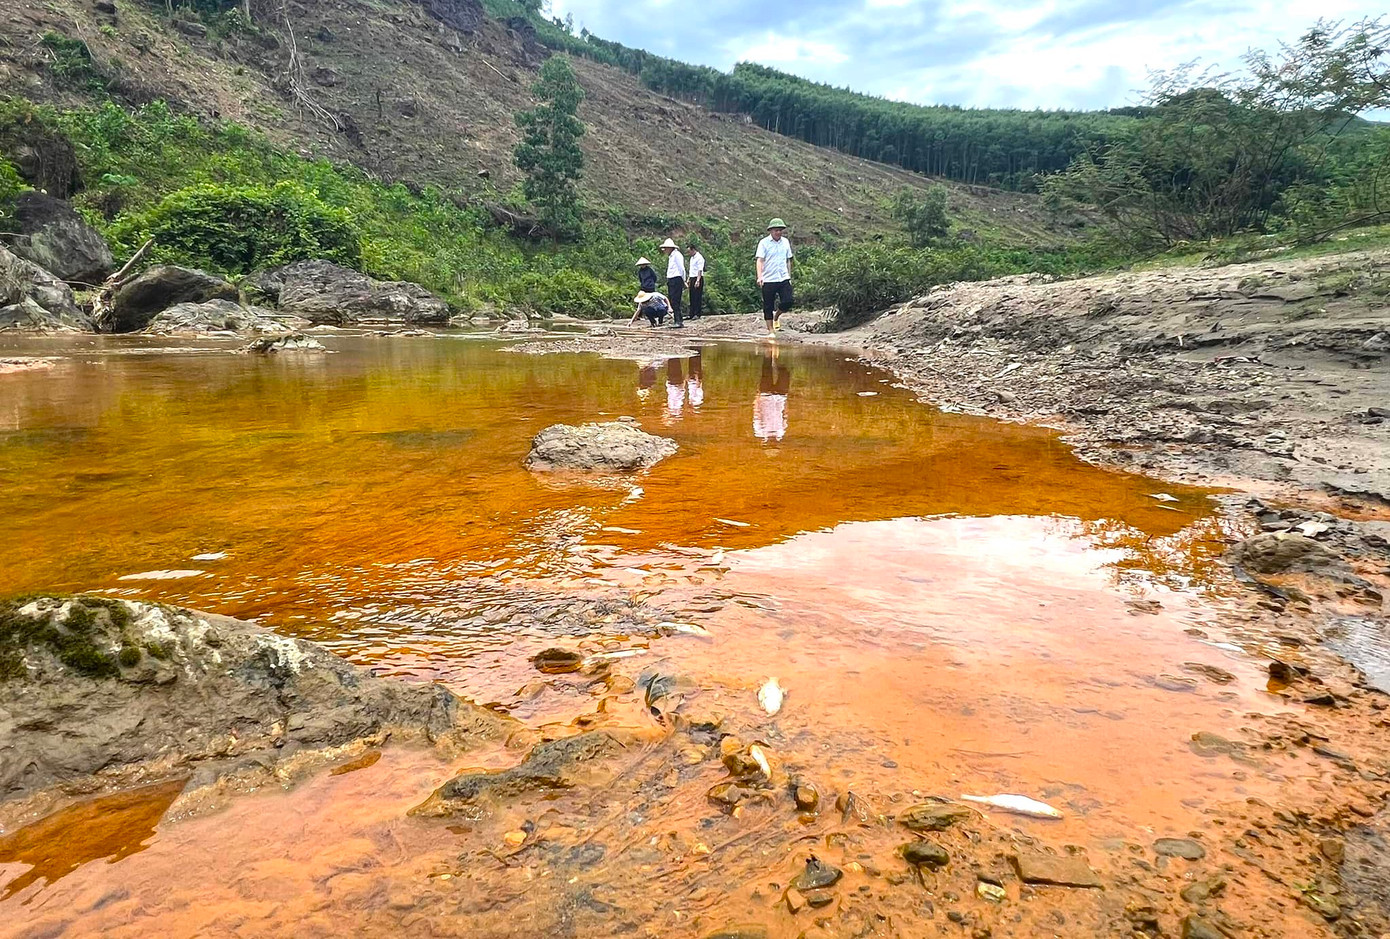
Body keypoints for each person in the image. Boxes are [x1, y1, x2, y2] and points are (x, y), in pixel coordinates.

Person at [755, 218, 794, 338]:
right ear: (771, 231)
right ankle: (771, 330)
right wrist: (760, 276)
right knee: (768, 305)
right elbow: (760, 260)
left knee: (788, 301)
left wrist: (789, 275)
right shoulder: (764, 243)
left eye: (780, 230)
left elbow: (788, 260)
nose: (778, 232)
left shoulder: (785, 242)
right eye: (776, 230)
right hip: (769, 279)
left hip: (783, 277)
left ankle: (777, 316)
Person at [753, 345, 791, 442]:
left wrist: (757, 399)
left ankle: (769, 352)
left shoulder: (760, 432)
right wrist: (786, 400)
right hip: (780, 397)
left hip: (765, 396)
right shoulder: (780, 433)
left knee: (766, 370)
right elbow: (785, 416)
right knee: (785, 374)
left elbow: (757, 415)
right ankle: (776, 354)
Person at [660, 238, 685, 328]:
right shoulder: (671, 256)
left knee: (675, 300)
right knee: (672, 299)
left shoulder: (677, 255)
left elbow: (681, 269)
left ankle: (679, 321)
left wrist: (683, 280)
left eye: (666, 248)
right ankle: (677, 319)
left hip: (676, 279)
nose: (665, 250)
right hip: (671, 279)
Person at [687, 244, 706, 319]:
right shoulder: (692, 258)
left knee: (697, 296)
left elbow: (700, 270)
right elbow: (691, 269)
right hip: (692, 277)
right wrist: (689, 279)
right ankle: (691, 313)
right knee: (692, 296)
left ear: (693, 250)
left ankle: (697, 313)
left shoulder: (699, 258)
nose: (689, 253)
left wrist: (698, 280)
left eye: (689, 251)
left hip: (697, 277)